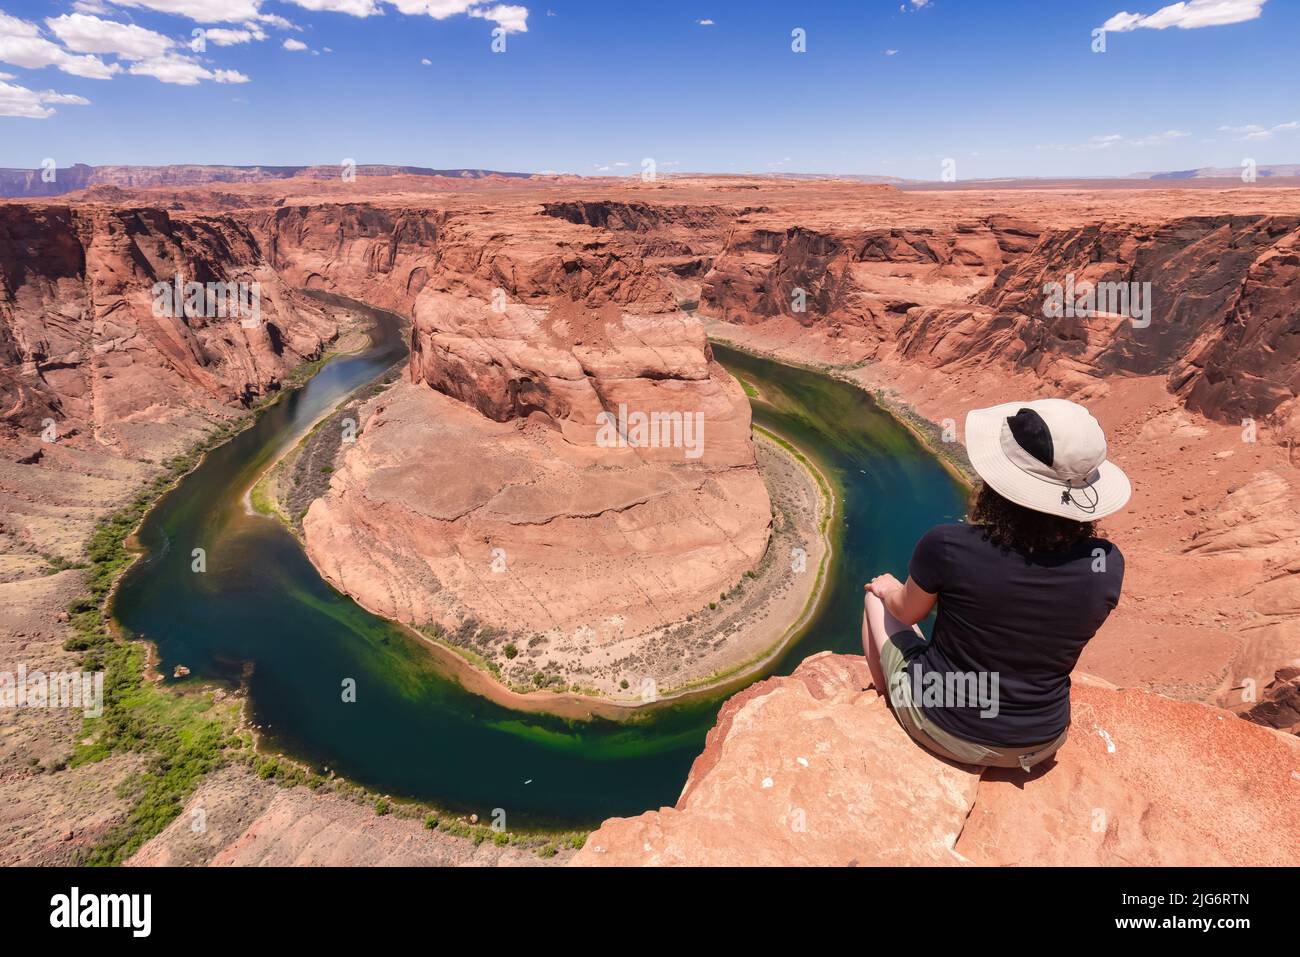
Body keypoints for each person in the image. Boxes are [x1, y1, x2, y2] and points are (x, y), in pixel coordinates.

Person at [862, 399, 1131, 771]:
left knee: (876, 598)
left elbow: (907, 611)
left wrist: (887, 587)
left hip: (944, 727)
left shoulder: (948, 545)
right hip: (1042, 740)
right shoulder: (1107, 564)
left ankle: (888, 699)